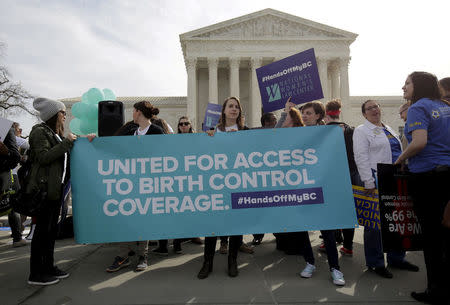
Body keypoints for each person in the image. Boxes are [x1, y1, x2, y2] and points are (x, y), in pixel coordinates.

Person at [395, 72, 450, 304]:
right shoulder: (446, 107)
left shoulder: (418, 108)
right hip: (447, 174)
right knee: (446, 233)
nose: (403, 87)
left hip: (428, 177)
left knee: (431, 237)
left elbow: (419, 142)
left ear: (418, 85)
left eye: (407, 83)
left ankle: (435, 290)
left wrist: (400, 159)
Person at [353, 99, 419, 279]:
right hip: (375, 177)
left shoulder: (387, 128)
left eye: (376, 106)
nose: (374, 110)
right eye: (369, 108)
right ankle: (375, 262)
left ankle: (397, 258)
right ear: (364, 114)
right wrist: (367, 180)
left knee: (396, 219)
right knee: (374, 224)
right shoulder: (361, 131)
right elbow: (361, 156)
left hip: (395, 177)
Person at [27, 97, 81, 285]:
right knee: (42, 232)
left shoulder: (54, 133)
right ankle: (36, 273)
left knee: (50, 232)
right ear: (54, 114)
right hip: (43, 191)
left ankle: (48, 267)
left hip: (55, 191)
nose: (65, 116)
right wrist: (66, 142)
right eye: (63, 112)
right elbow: (43, 157)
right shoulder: (39, 132)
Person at [106, 101, 164, 273]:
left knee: (143, 220)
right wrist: (92, 141)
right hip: (130, 184)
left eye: (134, 111)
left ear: (139, 112)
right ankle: (122, 255)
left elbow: (163, 156)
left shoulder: (156, 132)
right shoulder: (131, 132)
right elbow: (112, 148)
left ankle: (142, 256)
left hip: (148, 183)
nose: (132, 114)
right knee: (126, 217)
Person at [198, 96, 249, 279]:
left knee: (236, 226)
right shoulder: (213, 132)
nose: (234, 109)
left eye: (237, 106)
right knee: (213, 225)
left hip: (238, 185)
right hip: (217, 187)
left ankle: (232, 261)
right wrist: (207, 139)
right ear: (224, 111)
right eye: (230, 106)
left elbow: (267, 142)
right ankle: (207, 262)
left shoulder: (246, 132)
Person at [324, 99, 362, 257]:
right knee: (347, 211)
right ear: (339, 112)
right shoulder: (350, 130)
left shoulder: (322, 131)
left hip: (330, 174)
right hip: (349, 172)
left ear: (326, 114)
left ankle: (330, 241)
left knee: (330, 210)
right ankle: (348, 246)